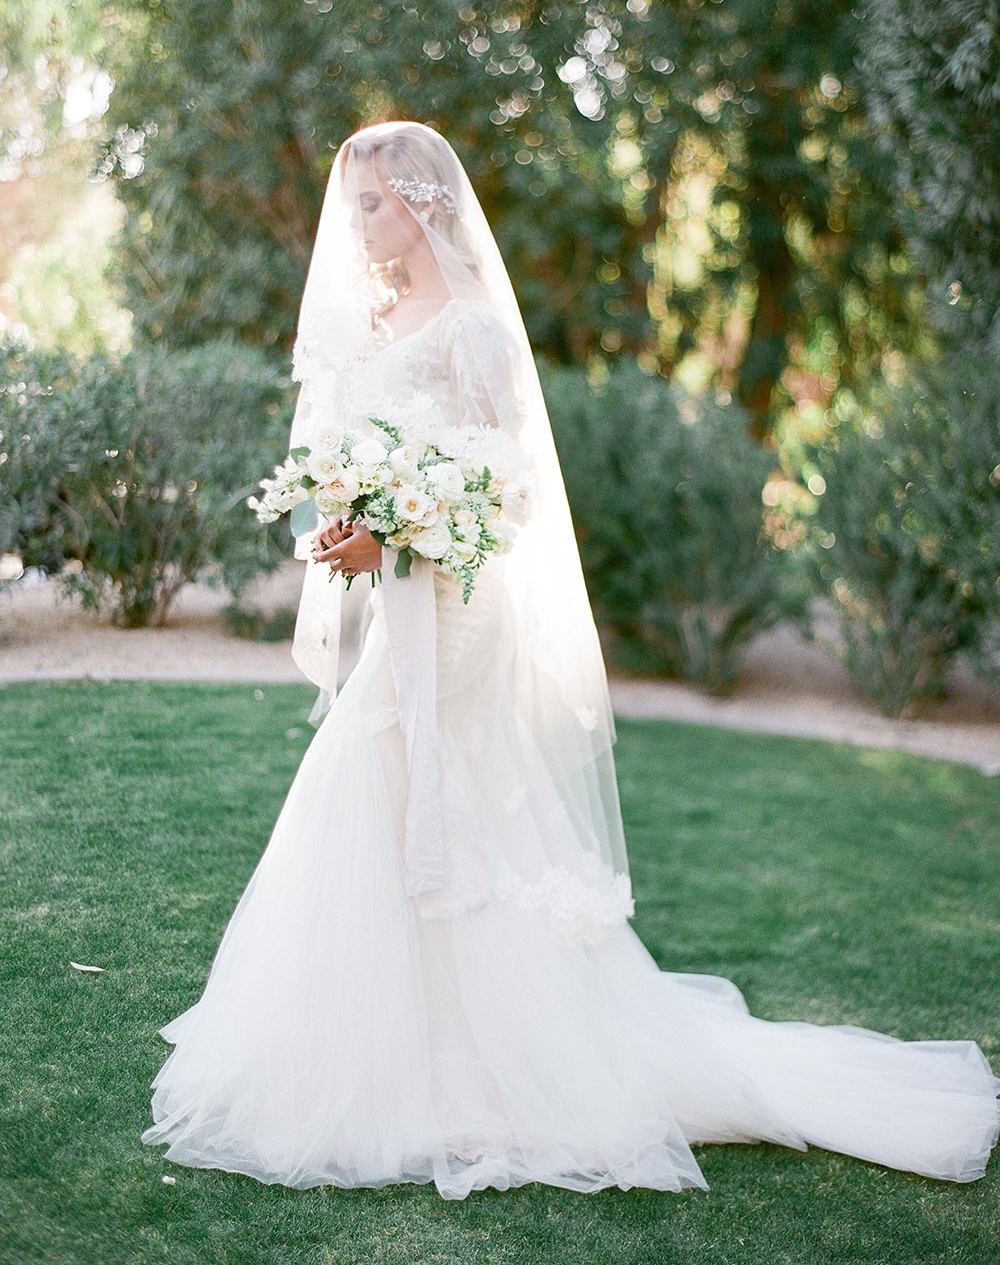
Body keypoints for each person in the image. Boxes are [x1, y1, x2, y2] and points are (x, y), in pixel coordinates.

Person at [140, 120, 1000, 1198]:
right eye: (353, 203)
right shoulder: (374, 316)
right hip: (403, 589)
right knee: (384, 772)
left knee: (421, 773)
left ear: (424, 204)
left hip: (457, 604)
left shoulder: (475, 330)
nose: (357, 222)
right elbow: (360, 464)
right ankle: (398, 1046)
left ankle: (508, 1058)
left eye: (373, 202)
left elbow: (509, 495)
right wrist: (352, 528)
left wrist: (402, 530)